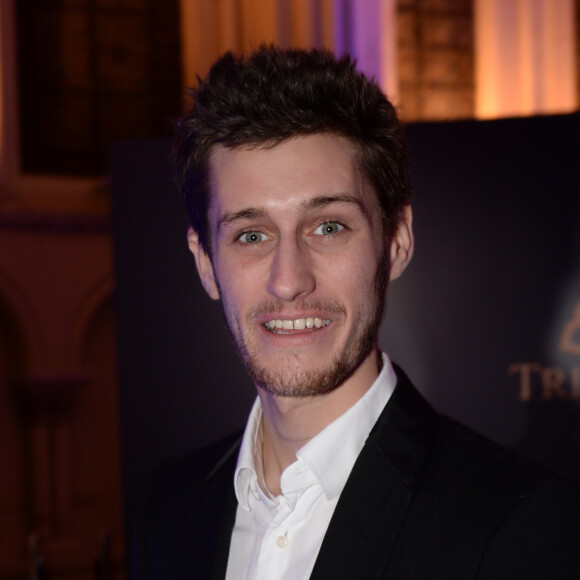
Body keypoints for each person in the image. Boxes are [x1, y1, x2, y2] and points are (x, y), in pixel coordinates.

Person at [132, 46, 580, 579]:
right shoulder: (170, 506)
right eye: (251, 235)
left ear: (397, 241)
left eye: (328, 227)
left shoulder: (517, 525)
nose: (289, 280)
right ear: (205, 263)